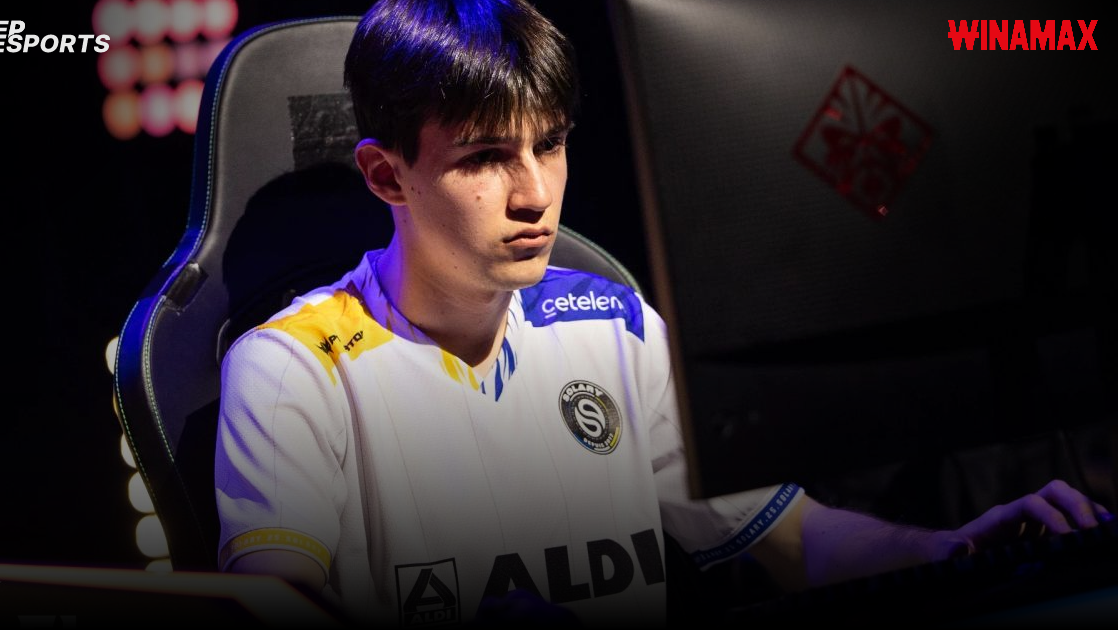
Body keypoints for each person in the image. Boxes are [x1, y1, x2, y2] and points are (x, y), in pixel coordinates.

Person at [213, 1, 1112, 627]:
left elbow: (794, 540)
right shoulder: (292, 368)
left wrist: (952, 550)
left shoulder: (615, 326)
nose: (534, 193)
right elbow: (272, 606)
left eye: (550, 145)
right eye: (485, 157)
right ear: (386, 175)